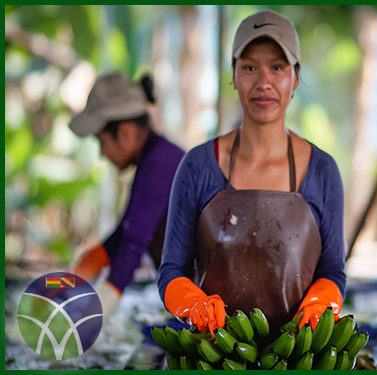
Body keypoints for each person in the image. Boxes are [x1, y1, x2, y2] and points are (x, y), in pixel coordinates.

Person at [158, 10, 346, 336]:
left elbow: (332, 270)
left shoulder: (323, 170)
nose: (264, 83)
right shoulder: (197, 166)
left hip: (295, 356)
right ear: (233, 76)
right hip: (214, 352)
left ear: (295, 79)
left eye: (277, 67)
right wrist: (192, 304)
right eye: (249, 68)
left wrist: (321, 303)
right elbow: (172, 269)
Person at [69, 72, 185, 319]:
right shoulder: (154, 161)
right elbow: (122, 236)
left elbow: (132, 248)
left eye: (101, 141)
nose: (102, 153)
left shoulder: (160, 165)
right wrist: (68, 283)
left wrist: (87, 323)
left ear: (125, 133)